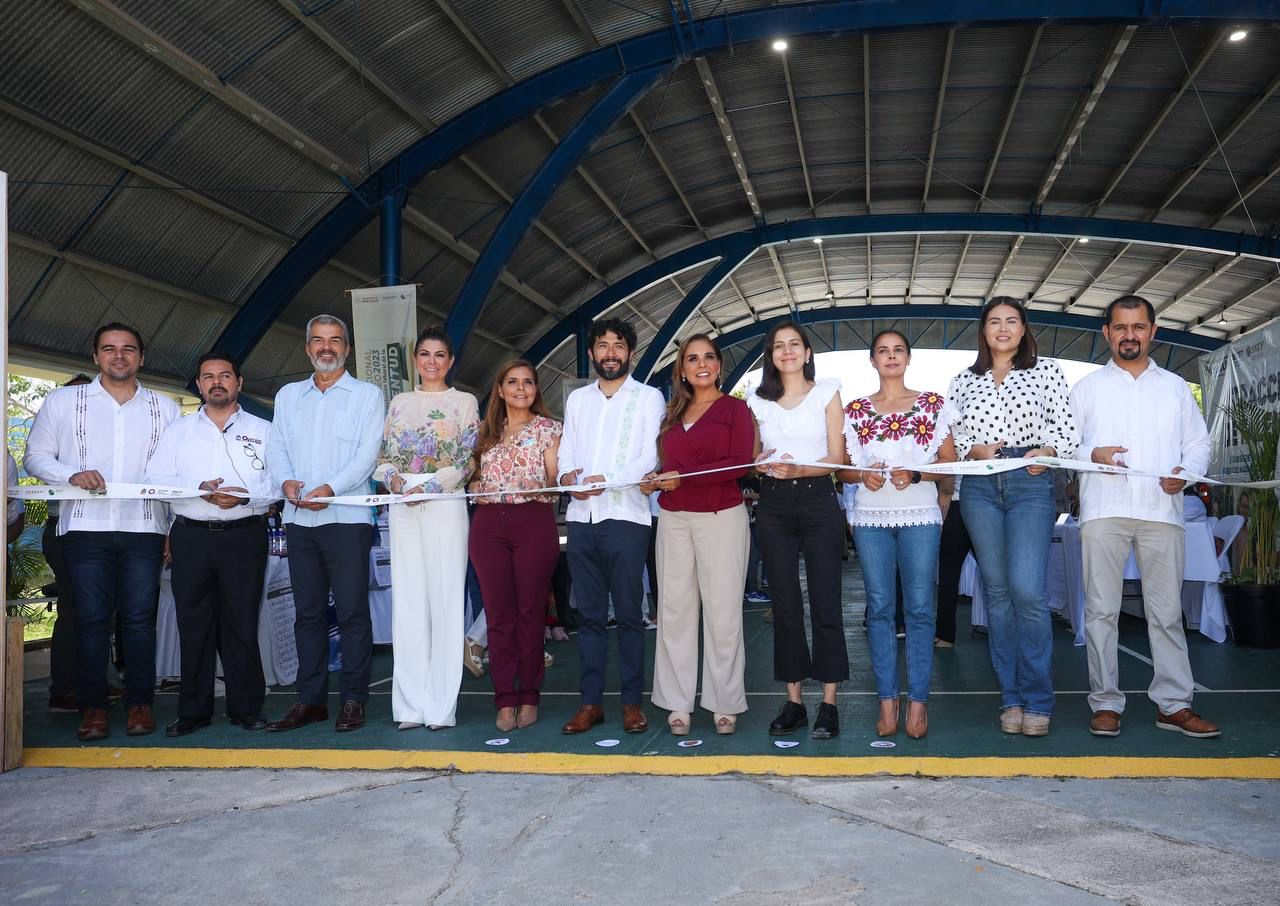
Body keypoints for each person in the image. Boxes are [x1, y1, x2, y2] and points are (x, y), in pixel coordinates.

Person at [1069, 295, 1219, 739]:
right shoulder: (1086, 389)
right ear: (1107, 333)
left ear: (1153, 331)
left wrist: (1186, 472)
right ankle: (1105, 703)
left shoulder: (1175, 388)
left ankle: (1174, 705)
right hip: (1104, 510)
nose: (1129, 335)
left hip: (1161, 511)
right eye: (1120, 327)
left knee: (1167, 613)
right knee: (1101, 611)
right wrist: (1092, 454)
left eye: (1138, 327)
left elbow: (1199, 444)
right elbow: (1063, 445)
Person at [24, 324, 179, 741]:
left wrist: (172, 528)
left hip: (145, 528)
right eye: (109, 349)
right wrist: (69, 475)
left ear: (141, 357)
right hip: (84, 528)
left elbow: (176, 472)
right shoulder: (62, 402)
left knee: (140, 620)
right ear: (95, 356)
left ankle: (140, 704)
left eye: (128, 349)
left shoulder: (165, 408)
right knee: (90, 621)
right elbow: (35, 456)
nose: (119, 356)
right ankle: (92, 708)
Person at [947, 297, 1079, 737]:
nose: (1002, 328)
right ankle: (1012, 698)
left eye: (1011, 321)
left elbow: (1066, 427)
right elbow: (953, 433)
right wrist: (973, 449)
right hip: (980, 485)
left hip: (1030, 481)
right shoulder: (963, 381)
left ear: (1024, 329)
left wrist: (1049, 450)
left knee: (1027, 591)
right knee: (998, 594)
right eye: (994, 321)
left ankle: (1039, 699)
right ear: (983, 330)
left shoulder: (1048, 371)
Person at [144, 352, 278, 736]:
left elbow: (278, 482)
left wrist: (245, 497)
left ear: (239, 382)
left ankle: (246, 708)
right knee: (194, 625)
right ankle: (194, 711)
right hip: (191, 536)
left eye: (224, 375)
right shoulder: (178, 431)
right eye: (208, 376)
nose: (216, 382)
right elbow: (155, 479)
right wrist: (196, 489)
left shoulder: (265, 430)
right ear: (200, 385)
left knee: (242, 623)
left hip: (244, 535)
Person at [265, 314, 384, 733]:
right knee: (308, 615)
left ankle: (353, 700)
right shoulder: (287, 396)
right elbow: (276, 447)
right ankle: (310, 700)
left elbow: (368, 454)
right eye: (318, 340)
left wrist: (330, 489)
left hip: (347, 518)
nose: (326, 347)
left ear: (347, 349)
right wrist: (285, 482)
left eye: (335, 340)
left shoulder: (367, 395)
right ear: (307, 348)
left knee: (352, 614)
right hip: (299, 520)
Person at [838, 330, 957, 739]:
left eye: (898, 350)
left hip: (921, 516)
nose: (891, 357)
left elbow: (949, 463)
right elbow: (842, 469)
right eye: (883, 351)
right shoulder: (854, 410)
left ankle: (918, 702)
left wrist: (918, 473)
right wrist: (861, 476)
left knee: (920, 609)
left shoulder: (933, 405)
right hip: (870, 519)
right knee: (879, 609)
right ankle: (887, 700)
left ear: (908, 358)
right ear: (872, 360)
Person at [641, 334, 755, 736]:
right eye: (692, 358)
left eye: (708, 357)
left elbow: (741, 464)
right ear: (683, 369)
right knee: (674, 610)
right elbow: (665, 465)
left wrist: (682, 477)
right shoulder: (671, 415)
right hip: (674, 519)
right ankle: (677, 700)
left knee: (723, 612)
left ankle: (725, 701)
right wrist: (652, 478)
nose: (701, 364)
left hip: (721, 517)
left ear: (719, 366)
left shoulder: (736, 410)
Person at [558, 318, 665, 735]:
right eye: (602, 345)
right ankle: (590, 703)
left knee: (629, 615)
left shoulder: (648, 397)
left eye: (618, 346)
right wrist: (567, 477)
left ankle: (632, 703)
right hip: (581, 518)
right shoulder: (578, 399)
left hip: (626, 516)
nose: (610, 353)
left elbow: (649, 456)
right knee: (588, 616)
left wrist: (610, 479)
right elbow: (567, 449)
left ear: (630, 353)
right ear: (591, 353)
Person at [373, 325, 479, 730]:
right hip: (402, 503)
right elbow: (383, 456)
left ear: (450, 361)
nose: (431, 362)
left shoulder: (464, 402)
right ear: (415, 360)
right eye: (424, 354)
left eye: (439, 355)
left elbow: (467, 460)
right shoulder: (399, 403)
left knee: (445, 600)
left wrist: (430, 487)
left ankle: (440, 707)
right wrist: (396, 482)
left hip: (445, 501)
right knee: (409, 602)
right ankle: (410, 707)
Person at [747, 321, 847, 739]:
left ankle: (829, 704)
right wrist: (760, 464)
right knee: (785, 603)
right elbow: (753, 456)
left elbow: (838, 457)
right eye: (778, 346)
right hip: (773, 503)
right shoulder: (758, 401)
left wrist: (799, 470)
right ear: (771, 355)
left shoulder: (827, 392)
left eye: (794, 345)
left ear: (807, 353)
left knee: (826, 600)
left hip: (818, 498)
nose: (786, 351)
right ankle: (794, 703)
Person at [468, 359, 560, 732]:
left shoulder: (549, 430)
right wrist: (474, 485)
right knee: (498, 615)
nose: (521, 388)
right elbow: (472, 477)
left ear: (536, 389)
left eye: (528, 382)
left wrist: (543, 485)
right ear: (500, 390)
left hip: (533, 523)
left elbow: (555, 479)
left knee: (530, 613)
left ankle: (529, 696)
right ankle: (504, 699)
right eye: (513, 382)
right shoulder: (484, 432)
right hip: (488, 526)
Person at [39, 374, 93, 713]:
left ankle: (91, 682)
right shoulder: (56, 436)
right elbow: (38, 463)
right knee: (73, 609)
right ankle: (63, 689)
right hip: (64, 531)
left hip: (97, 531)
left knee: (97, 611)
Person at [934, 474, 972, 648]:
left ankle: (945, 635)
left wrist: (944, 496)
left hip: (955, 502)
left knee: (948, 574)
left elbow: (947, 483)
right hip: (976, 503)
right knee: (994, 578)